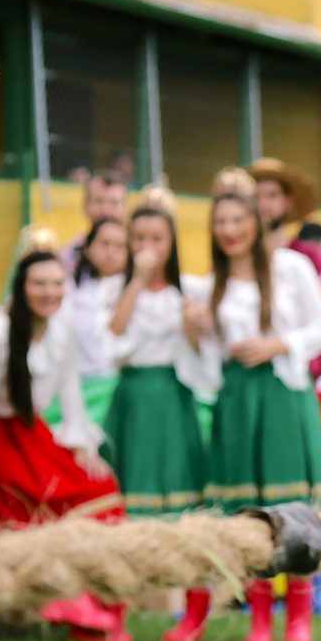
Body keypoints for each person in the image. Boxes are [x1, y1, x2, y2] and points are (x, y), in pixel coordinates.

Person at [185, 189, 321, 641]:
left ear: (255, 221)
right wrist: (197, 332)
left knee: (291, 501)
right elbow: (207, 360)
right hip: (237, 397)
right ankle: (259, 617)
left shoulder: (292, 268)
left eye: (238, 220)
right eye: (221, 223)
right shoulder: (211, 285)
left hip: (281, 394)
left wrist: (277, 344)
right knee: (249, 506)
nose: (230, 231)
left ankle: (299, 615)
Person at [0, 250, 125, 641]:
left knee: (100, 490)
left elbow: (69, 389)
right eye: (39, 284)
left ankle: (98, 608)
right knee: (38, 500)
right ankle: (62, 604)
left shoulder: (62, 327)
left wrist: (81, 447)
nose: (49, 292)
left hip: (35, 433)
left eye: (57, 283)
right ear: (21, 287)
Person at [103, 203, 211, 532]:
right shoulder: (114, 289)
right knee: (135, 475)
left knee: (175, 476)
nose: (148, 247)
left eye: (157, 238)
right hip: (134, 392)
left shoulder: (190, 289)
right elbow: (113, 335)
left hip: (173, 393)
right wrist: (137, 279)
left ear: (171, 243)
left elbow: (200, 350)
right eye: (139, 238)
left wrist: (193, 326)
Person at [67, 215, 128, 380]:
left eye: (120, 246)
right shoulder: (68, 289)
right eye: (104, 244)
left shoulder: (133, 292)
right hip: (77, 381)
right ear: (88, 248)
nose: (110, 252)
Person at [250, 159, 321, 285]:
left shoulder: (309, 256)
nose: (263, 204)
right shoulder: (238, 256)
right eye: (256, 196)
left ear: (288, 201)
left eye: (272, 195)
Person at [59, 170, 129, 274]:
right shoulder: (68, 256)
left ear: (125, 208)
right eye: (98, 201)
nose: (105, 210)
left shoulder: (137, 250)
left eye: (113, 203)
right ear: (85, 206)